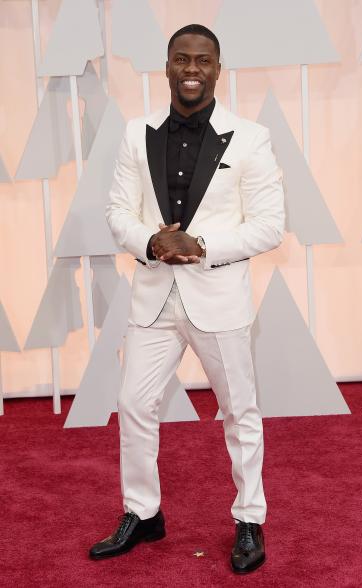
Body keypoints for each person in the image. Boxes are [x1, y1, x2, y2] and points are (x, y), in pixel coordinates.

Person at [89, 24, 284, 575]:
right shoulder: (136, 133)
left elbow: (270, 227)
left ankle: (249, 519)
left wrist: (200, 247)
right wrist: (152, 243)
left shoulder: (250, 137)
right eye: (182, 59)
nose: (191, 69)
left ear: (218, 68)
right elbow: (117, 213)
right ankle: (143, 512)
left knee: (239, 410)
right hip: (154, 297)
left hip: (217, 297)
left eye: (202, 60)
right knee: (133, 405)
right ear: (167, 65)